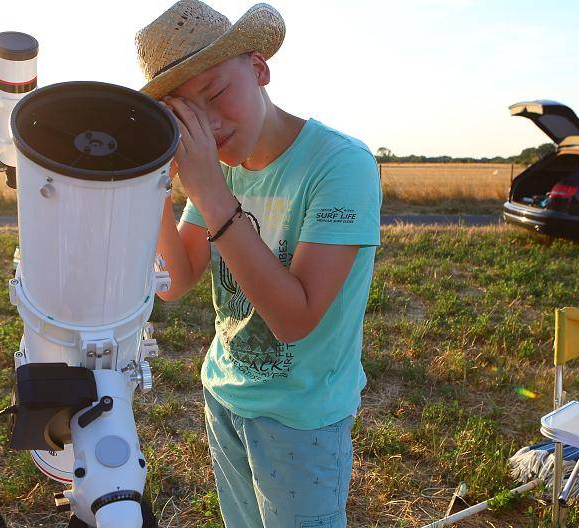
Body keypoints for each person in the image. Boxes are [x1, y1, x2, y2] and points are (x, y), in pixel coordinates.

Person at [135, 1, 381, 526]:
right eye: (186, 116)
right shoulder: (220, 172)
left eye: (217, 93)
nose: (211, 126)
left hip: (302, 416)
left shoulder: (340, 165)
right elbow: (175, 280)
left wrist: (209, 189)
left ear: (259, 67)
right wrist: (154, 186)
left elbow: (295, 318)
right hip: (225, 395)